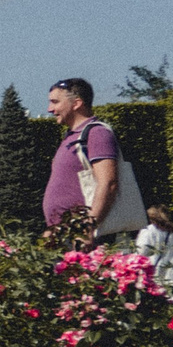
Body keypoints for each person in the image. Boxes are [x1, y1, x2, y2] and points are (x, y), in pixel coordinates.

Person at [44, 78, 122, 239]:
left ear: (76, 103)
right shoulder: (72, 137)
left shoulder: (97, 133)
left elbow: (108, 183)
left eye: (55, 102)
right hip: (66, 234)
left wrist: (88, 229)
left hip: (84, 236)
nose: (50, 109)